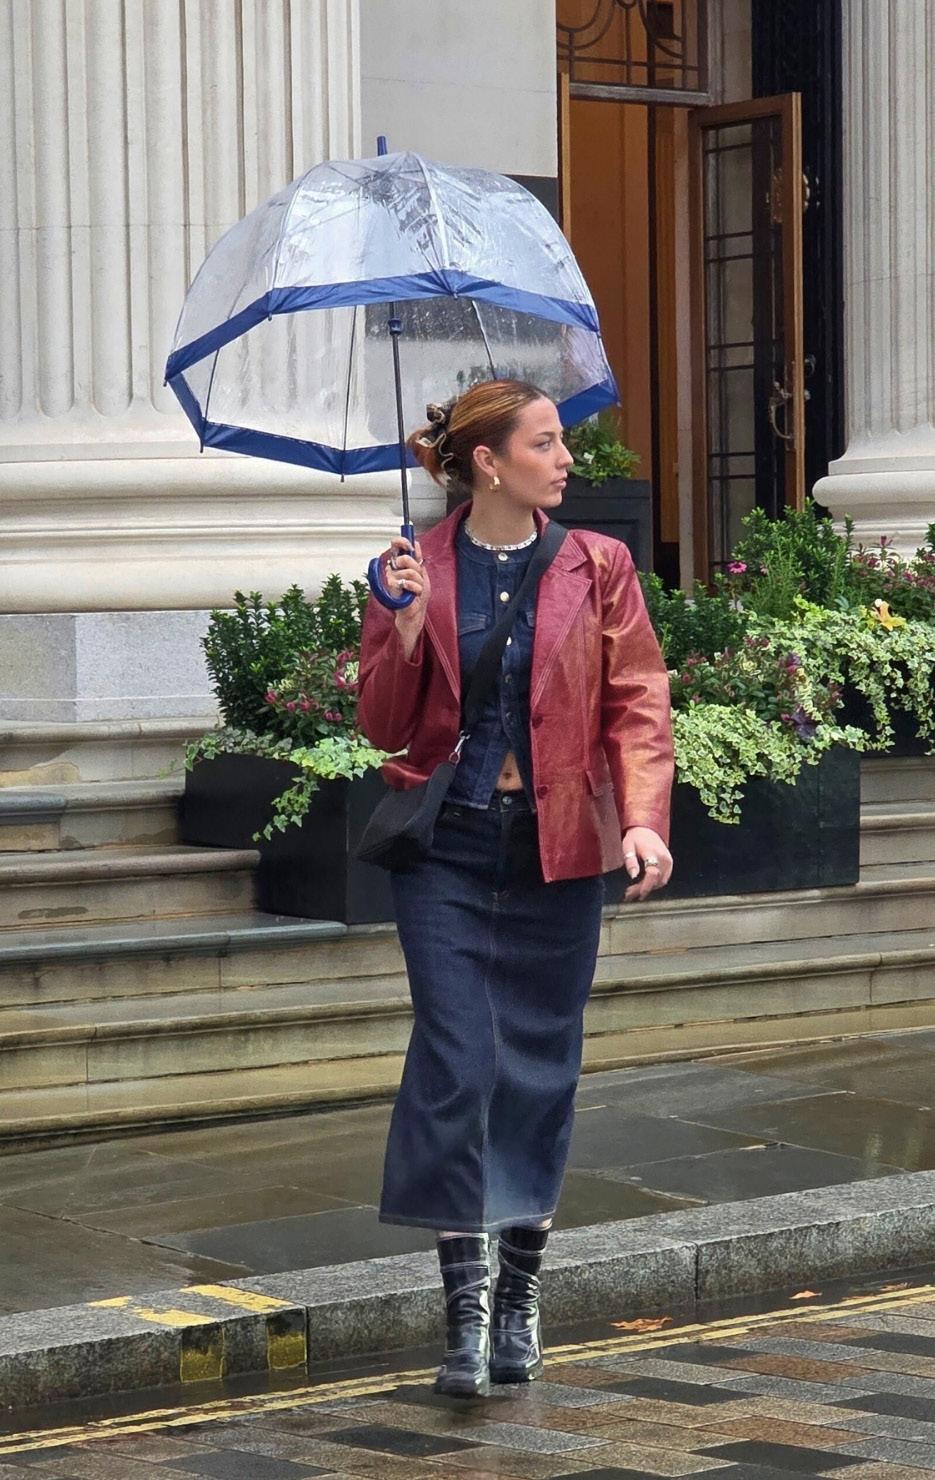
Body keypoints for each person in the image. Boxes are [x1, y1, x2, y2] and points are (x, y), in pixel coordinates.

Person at [357, 379, 674, 1399]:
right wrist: (403, 626)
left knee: (537, 1071)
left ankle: (518, 1298)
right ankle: (463, 1309)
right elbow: (383, 727)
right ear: (487, 462)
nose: (566, 458)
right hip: (445, 854)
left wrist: (640, 817)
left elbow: (636, 702)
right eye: (545, 443)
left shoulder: (598, 564)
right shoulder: (414, 567)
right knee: (456, 1063)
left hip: (557, 852)